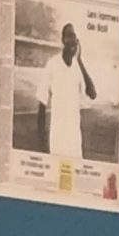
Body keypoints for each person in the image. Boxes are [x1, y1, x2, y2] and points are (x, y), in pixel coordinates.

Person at [42, 20, 96, 161]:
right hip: (57, 138)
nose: (73, 40)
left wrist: (80, 60)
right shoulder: (52, 64)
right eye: (69, 36)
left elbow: (92, 94)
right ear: (63, 40)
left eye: (75, 37)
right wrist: (41, 139)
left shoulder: (78, 67)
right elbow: (42, 103)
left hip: (74, 140)